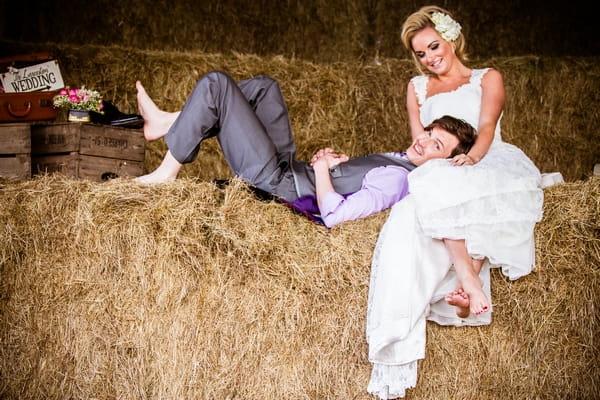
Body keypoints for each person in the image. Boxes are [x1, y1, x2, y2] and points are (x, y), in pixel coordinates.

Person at [365, 5, 544, 399]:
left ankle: (466, 286)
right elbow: (419, 146)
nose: (429, 58)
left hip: (486, 158)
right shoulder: (416, 88)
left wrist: (471, 160)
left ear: (451, 37)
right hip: (439, 165)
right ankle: (440, 306)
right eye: (420, 53)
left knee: (468, 192)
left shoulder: (487, 78)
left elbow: (485, 128)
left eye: (433, 46)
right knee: (408, 217)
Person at [134, 71, 476, 228]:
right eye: (429, 131)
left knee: (217, 84)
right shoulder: (398, 162)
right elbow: (352, 181)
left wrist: (324, 170)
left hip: (275, 182)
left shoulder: (399, 181)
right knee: (266, 87)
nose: (423, 139)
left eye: (436, 144)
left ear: (444, 162)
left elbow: (336, 216)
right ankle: (169, 124)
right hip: (288, 169)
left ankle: (166, 171)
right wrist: (336, 163)